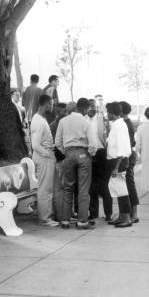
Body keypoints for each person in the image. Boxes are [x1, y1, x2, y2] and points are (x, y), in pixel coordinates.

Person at [54, 98, 97, 229]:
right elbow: (93, 144)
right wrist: (90, 154)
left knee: (67, 188)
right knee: (84, 189)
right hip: (83, 154)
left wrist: (66, 151)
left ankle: (65, 220)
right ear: (85, 109)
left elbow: (57, 141)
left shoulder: (63, 121)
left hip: (68, 154)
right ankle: (82, 221)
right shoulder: (86, 122)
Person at [30, 94, 59, 227]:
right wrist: (48, 154)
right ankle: (45, 218)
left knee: (48, 188)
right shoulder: (38, 121)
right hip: (44, 158)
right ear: (46, 104)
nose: (52, 106)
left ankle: (47, 216)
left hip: (46, 157)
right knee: (45, 189)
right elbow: (35, 145)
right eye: (51, 104)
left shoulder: (41, 119)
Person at [105, 102, 133, 228]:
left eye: (108, 112)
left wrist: (116, 167)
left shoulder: (120, 126)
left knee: (122, 190)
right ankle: (122, 216)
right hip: (116, 161)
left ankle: (126, 218)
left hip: (119, 162)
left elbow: (122, 148)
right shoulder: (116, 124)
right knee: (117, 189)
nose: (107, 115)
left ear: (112, 113)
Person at [88, 99, 113, 222]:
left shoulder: (102, 120)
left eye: (94, 106)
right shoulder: (83, 120)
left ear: (97, 108)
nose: (92, 108)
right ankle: (93, 213)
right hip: (90, 155)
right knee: (92, 186)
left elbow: (108, 135)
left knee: (105, 186)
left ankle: (108, 214)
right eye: (90, 106)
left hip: (102, 153)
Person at [121, 101, 140, 223]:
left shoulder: (125, 124)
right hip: (129, 154)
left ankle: (134, 213)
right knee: (128, 184)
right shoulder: (127, 123)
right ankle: (131, 212)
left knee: (129, 184)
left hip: (127, 156)